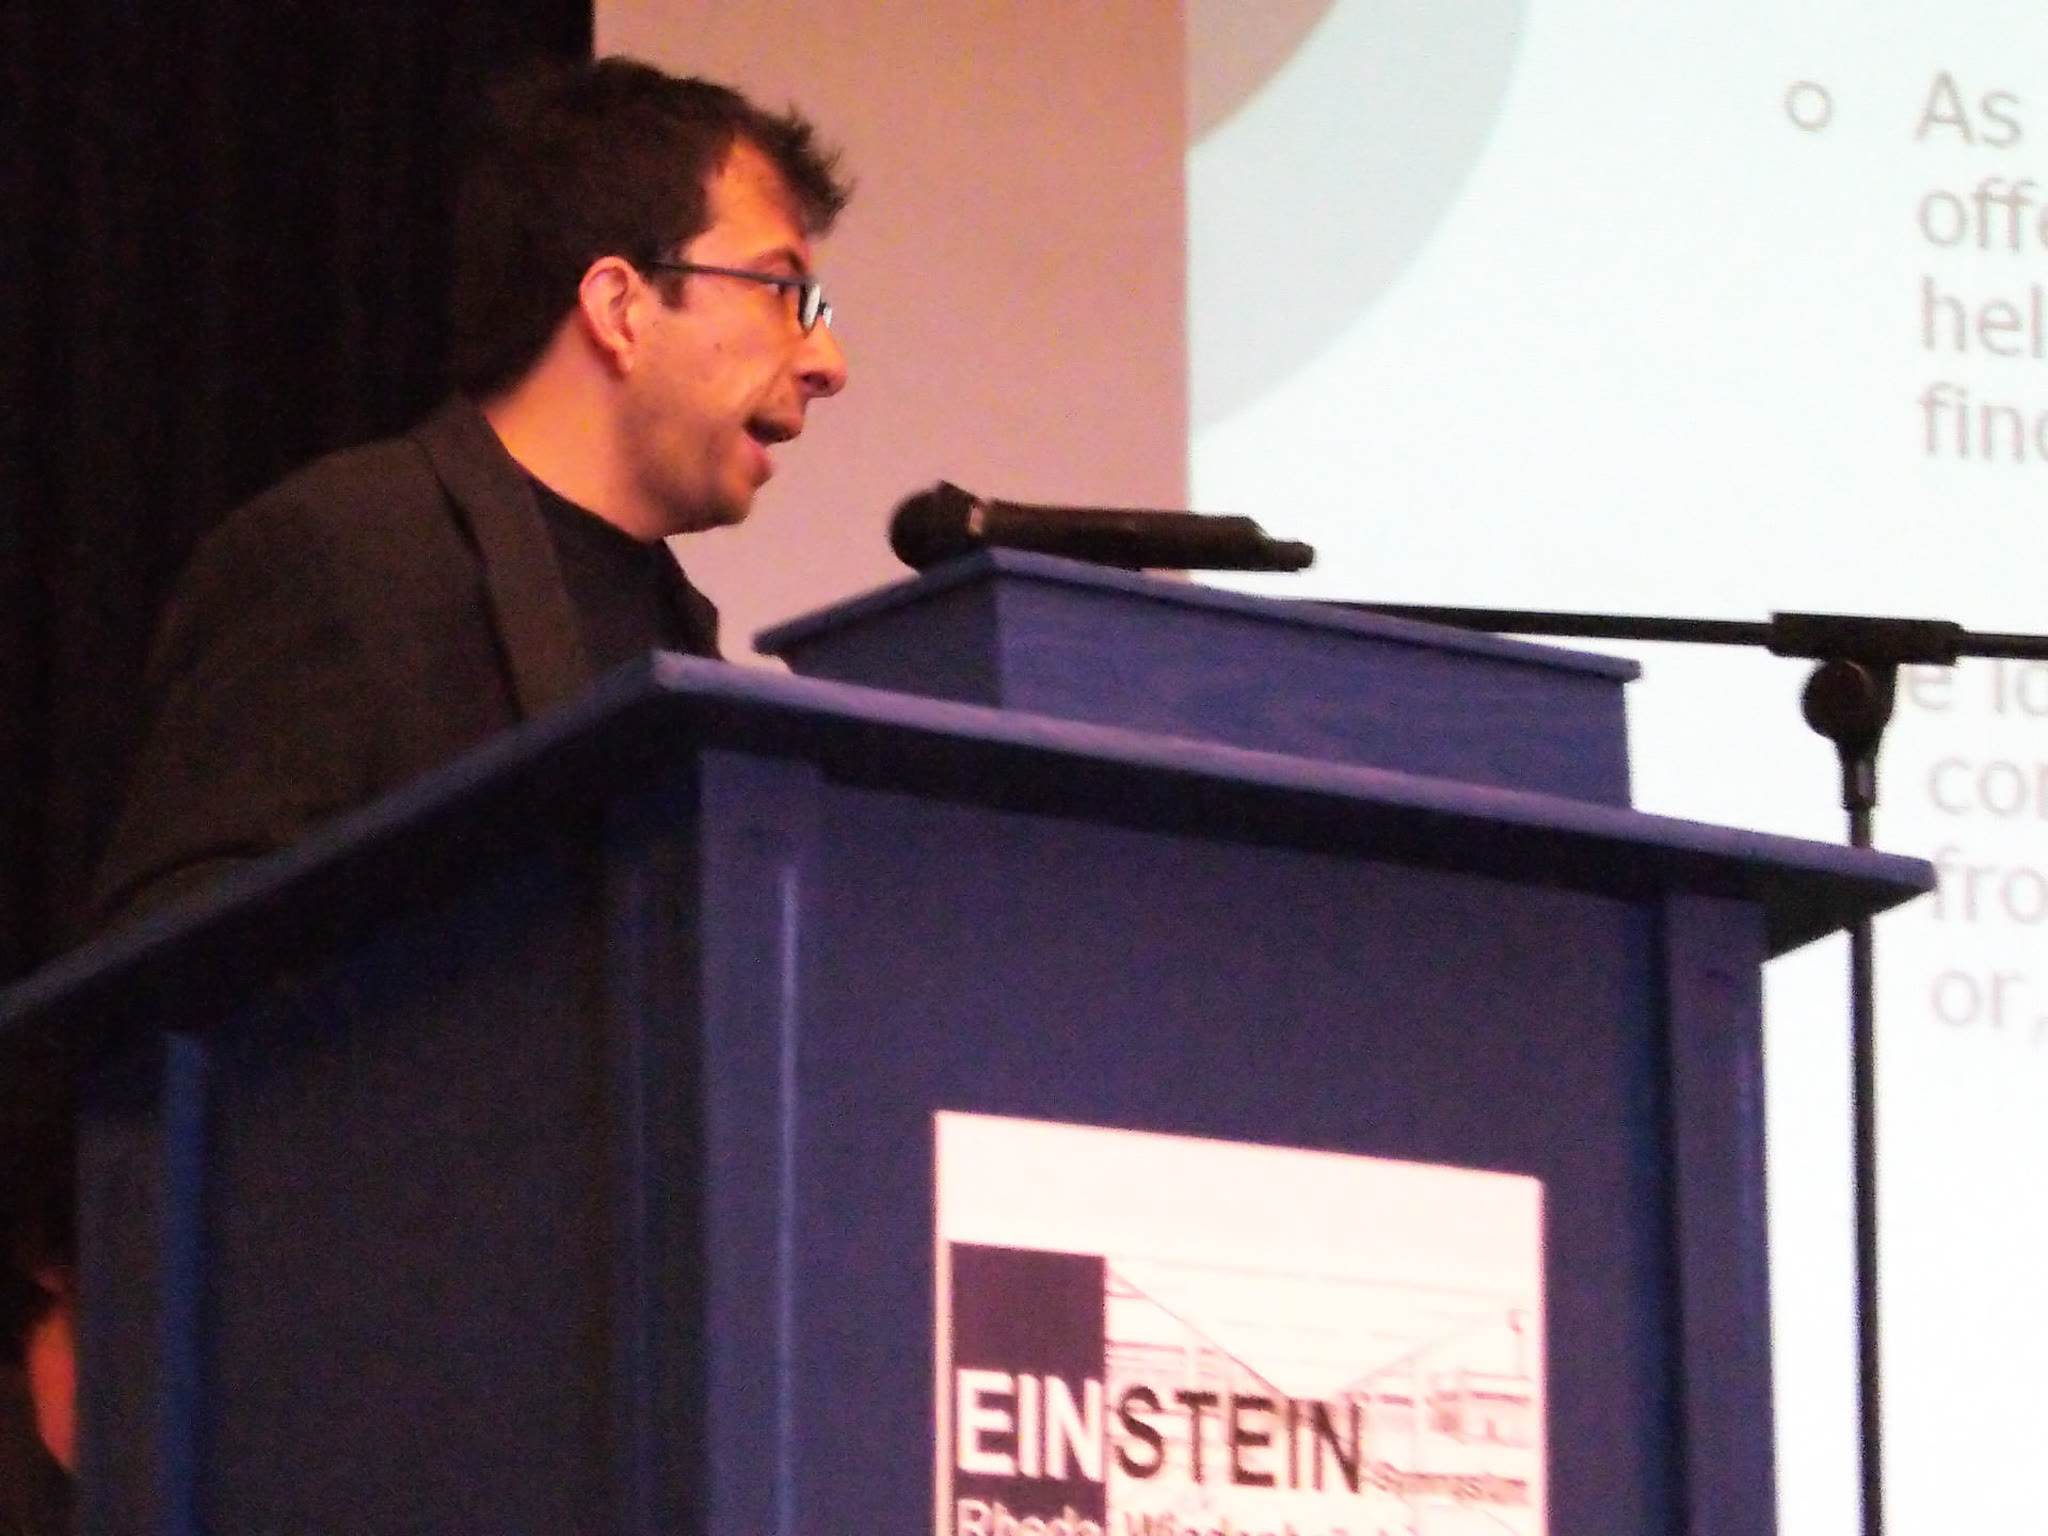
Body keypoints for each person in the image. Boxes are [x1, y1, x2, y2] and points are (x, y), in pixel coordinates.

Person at [3, 54, 852, 1513]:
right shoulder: (351, 556)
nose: (827, 360)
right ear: (619, 303)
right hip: (340, 1414)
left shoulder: (682, 647)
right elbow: (161, 993)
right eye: (786, 291)